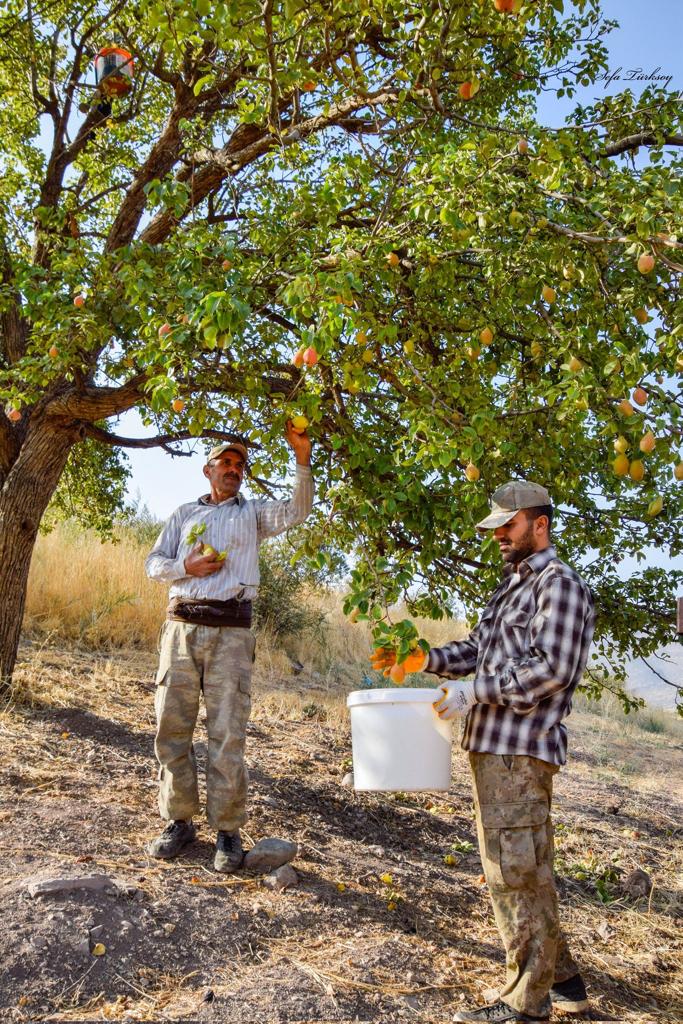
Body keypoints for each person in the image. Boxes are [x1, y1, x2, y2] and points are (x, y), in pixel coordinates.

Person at [370, 481, 595, 1023]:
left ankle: (526, 1003)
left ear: (539, 525)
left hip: (520, 751)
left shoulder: (558, 585)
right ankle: (564, 981)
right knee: (527, 868)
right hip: (495, 748)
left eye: (507, 525)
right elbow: (477, 649)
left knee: (513, 872)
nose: (497, 535)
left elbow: (551, 668)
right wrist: (423, 659)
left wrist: (475, 691)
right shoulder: (514, 585)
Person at [145, 422, 313, 872]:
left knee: (227, 735)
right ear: (208, 470)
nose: (233, 469)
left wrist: (301, 458)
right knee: (171, 727)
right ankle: (179, 822)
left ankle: (227, 831)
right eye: (225, 462)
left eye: (240, 464)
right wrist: (187, 564)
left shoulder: (253, 514)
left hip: (232, 634)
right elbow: (153, 564)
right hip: (180, 630)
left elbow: (298, 510)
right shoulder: (183, 514)